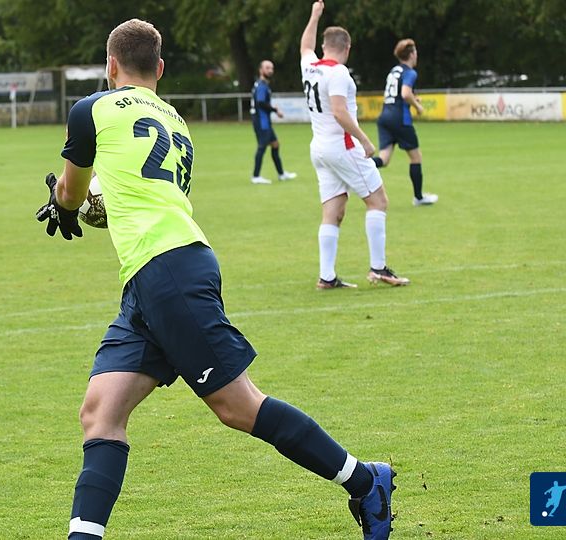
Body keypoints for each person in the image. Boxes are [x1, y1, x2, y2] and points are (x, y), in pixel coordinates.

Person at [36, 17, 396, 540]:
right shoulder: (177, 122)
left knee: (237, 405)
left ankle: (365, 481)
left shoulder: (91, 108)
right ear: (160, 68)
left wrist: (65, 205)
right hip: (155, 274)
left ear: (110, 66)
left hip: (168, 270)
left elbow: (71, 193)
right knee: (100, 412)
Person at [300, 1, 410, 290]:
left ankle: (326, 277)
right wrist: (365, 139)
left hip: (319, 149)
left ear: (325, 46)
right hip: (342, 147)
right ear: (347, 48)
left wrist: (314, 15)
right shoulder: (338, 73)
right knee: (378, 201)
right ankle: (378, 268)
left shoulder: (310, 66)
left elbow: (305, 46)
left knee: (333, 211)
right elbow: (339, 112)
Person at [373, 38, 438, 206]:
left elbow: (397, 94)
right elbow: (405, 94)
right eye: (415, 52)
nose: (417, 55)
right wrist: (418, 106)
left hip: (384, 117)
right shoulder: (410, 72)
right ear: (411, 55)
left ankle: (352, 169)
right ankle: (418, 197)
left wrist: (413, 98)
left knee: (384, 159)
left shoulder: (394, 70)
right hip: (400, 120)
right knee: (416, 157)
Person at [250, 60, 296, 184]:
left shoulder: (262, 84)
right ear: (261, 70)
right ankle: (256, 176)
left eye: (271, 68)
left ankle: (281, 174)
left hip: (264, 121)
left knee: (275, 144)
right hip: (261, 121)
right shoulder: (261, 86)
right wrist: (275, 110)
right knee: (262, 147)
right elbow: (260, 102)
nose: (270, 70)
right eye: (267, 68)